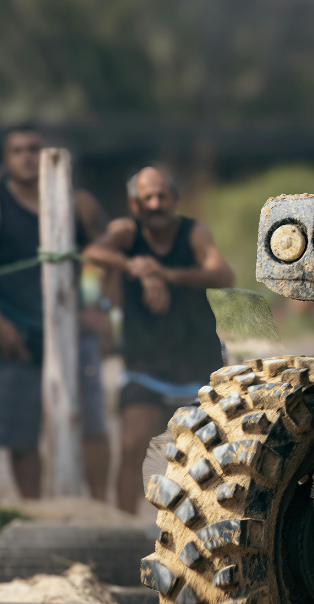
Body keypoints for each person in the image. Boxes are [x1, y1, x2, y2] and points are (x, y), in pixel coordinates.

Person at [83, 166, 234, 513]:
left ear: (175, 200)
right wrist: (135, 266)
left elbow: (222, 272)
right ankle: (122, 523)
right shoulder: (125, 232)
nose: (155, 203)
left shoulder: (193, 232)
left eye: (162, 196)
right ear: (134, 203)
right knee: (132, 444)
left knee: (205, 456)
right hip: (145, 363)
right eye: (147, 197)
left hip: (195, 360)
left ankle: (209, 524)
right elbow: (94, 252)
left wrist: (163, 273)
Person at [0, 124, 112, 500]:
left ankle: (101, 510)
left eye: (34, 148)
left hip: (73, 328)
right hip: (18, 334)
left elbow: (103, 257)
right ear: (6, 158)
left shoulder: (77, 202)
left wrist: (100, 306)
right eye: (18, 150)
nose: (27, 157)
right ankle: (36, 514)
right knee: (20, 433)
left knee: (93, 423)